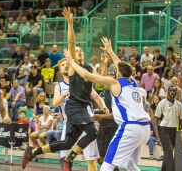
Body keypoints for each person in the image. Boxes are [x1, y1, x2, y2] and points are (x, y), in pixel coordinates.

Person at [22, 8, 109, 170]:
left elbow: (100, 82)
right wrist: (70, 23)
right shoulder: (72, 67)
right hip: (75, 107)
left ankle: (32, 151)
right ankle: (68, 159)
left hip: (81, 108)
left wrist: (104, 65)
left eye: (81, 50)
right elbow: (71, 43)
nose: (79, 51)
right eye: (77, 51)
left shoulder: (88, 67)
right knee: (92, 133)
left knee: (67, 142)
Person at [62, 37, 151, 171]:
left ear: (118, 73)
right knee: (128, 164)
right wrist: (110, 51)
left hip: (130, 127)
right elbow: (120, 65)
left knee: (106, 166)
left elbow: (87, 75)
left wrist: (71, 62)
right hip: (144, 128)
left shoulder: (114, 82)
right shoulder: (133, 81)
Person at [51, 58, 103, 170]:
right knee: (65, 160)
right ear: (60, 71)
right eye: (62, 65)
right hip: (69, 123)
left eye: (66, 64)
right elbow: (55, 103)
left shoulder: (82, 81)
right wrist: (65, 94)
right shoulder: (59, 86)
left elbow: (97, 97)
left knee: (91, 159)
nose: (65, 66)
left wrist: (103, 106)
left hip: (86, 121)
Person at [153, 86, 182, 171]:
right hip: (163, 129)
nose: (172, 92)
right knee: (169, 151)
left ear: (176, 93)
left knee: (168, 153)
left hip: (174, 130)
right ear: (167, 91)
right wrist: (158, 136)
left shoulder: (179, 104)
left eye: (174, 91)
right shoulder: (162, 103)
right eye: (171, 91)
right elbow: (155, 119)